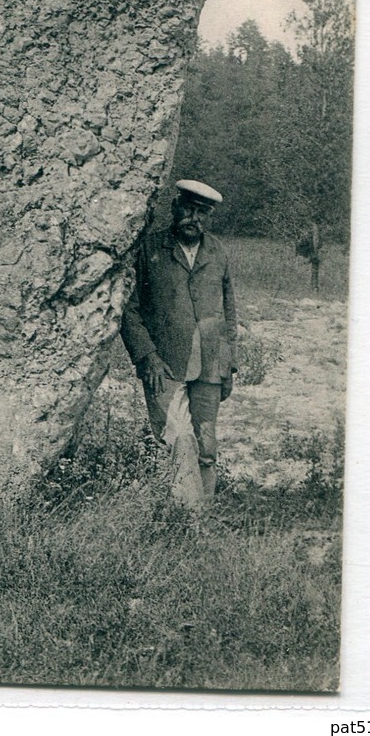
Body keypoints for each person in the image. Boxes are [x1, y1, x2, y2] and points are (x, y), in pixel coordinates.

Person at [121, 179, 237, 506]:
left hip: (211, 363)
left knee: (206, 446)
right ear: (175, 208)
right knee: (175, 439)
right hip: (164, 363)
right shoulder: (149, 250)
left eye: (202, 213)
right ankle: (181, 518)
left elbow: (228, 311)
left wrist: (228, 365)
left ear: (209, 217)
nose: (193, 219)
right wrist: (147, 356)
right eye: (187, 209)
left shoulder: (218, 253)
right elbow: (127, 309)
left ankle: (202, 518)